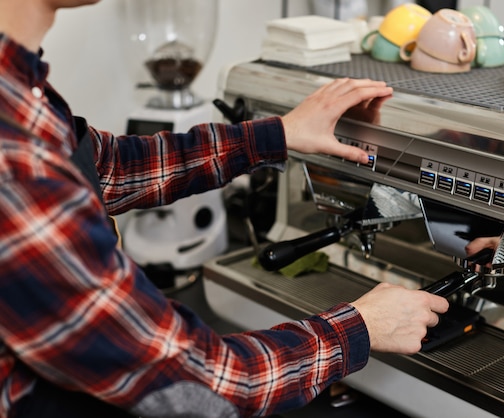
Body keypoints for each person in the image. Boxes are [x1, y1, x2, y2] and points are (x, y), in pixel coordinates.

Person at [0, 1, 449, 417]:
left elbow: (110, 167)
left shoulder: (19, 87)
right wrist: (361, 327)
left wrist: (274, 135)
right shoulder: (14, 158)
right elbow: (195, 384)